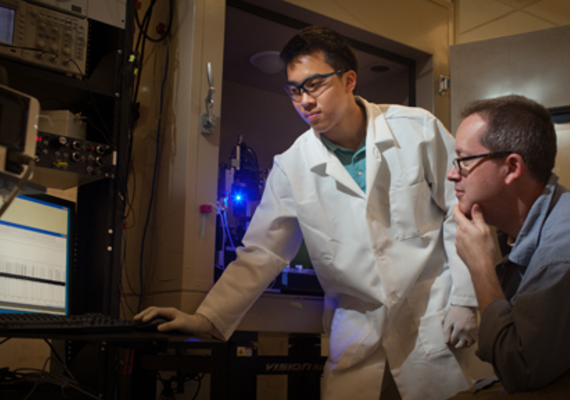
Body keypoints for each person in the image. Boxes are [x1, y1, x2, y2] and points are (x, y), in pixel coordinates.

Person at [135, 26, 489, 400]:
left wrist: (467, 298)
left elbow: (462, 212)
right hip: (359, 340)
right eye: (293, 90)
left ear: (349, 79)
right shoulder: (292, 166)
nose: (304, 100)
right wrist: (205, 319)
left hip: (436, 322)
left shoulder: (417, 130)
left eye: (314, 84)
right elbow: (262, 253)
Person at [446, 95, 570, 398]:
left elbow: (519, 370)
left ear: (512, 167)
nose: (452, 174)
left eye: (464, 161)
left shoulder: (559, 255)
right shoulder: (527, 227)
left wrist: (480, 268)